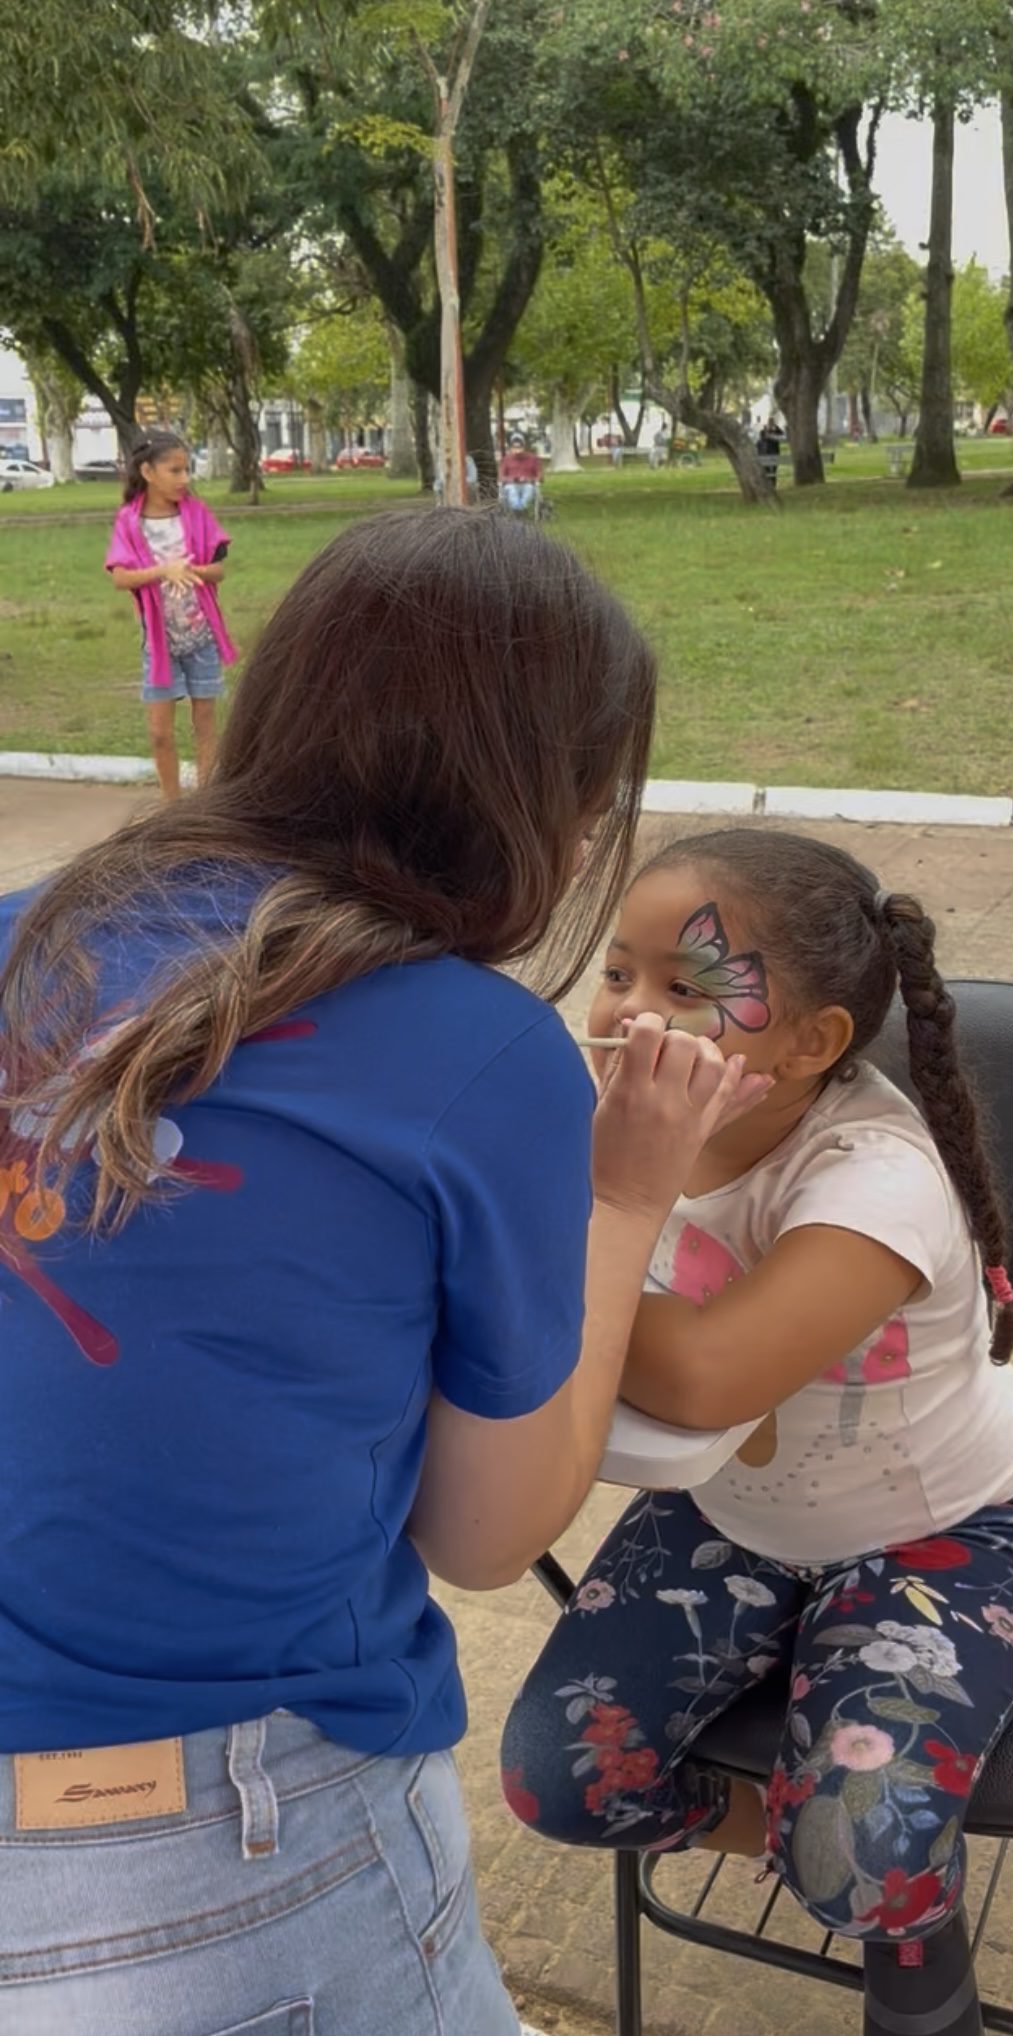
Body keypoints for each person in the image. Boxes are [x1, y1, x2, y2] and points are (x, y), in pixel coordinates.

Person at [0, 512, 768, 2036]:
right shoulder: (477, 1053)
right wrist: (627, 1194)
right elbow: (486, 1532)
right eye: (587, 810)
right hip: (226, 1845)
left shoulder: (28, 936)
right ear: (533, 803)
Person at [502, 829, 1013, 2036]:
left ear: (812, 1043)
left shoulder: (876, 1180)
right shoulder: (622, 1121)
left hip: (945, 1535)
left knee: (861, 1862)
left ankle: (898, 1916)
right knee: (558, 1778)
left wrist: (600, 1226)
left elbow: (708, 1377)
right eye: (619, 972)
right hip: (734, 1515)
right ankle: (804, 1842)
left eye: (689, 986)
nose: (631, 1013)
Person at [105, 430, 238, 802]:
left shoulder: (197, 514)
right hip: (160, 644)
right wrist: (164, 570)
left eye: (186, 470)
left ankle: (206, 805)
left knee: (205, 724)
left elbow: (218, 571)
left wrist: (192, 570)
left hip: (201, 638)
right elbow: (120, 578)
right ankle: (172, 807)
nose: (184, 479)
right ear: (148, 472)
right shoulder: (129, 521)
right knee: (160, 733)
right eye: (175, 470)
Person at [499, 432, 542, 512]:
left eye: (519, 447)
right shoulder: (506, 460)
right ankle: (519, 510)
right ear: (511, 448)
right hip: (511, 484)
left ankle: (520, 510)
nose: (517, 450)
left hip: (528, 484)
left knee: (528, 488)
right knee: (511, 489)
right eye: (514, 447)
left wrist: (530, 479)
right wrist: (511, 479)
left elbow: (540, 476)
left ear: (524, 447)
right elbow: (501, 477)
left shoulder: (533, 459)